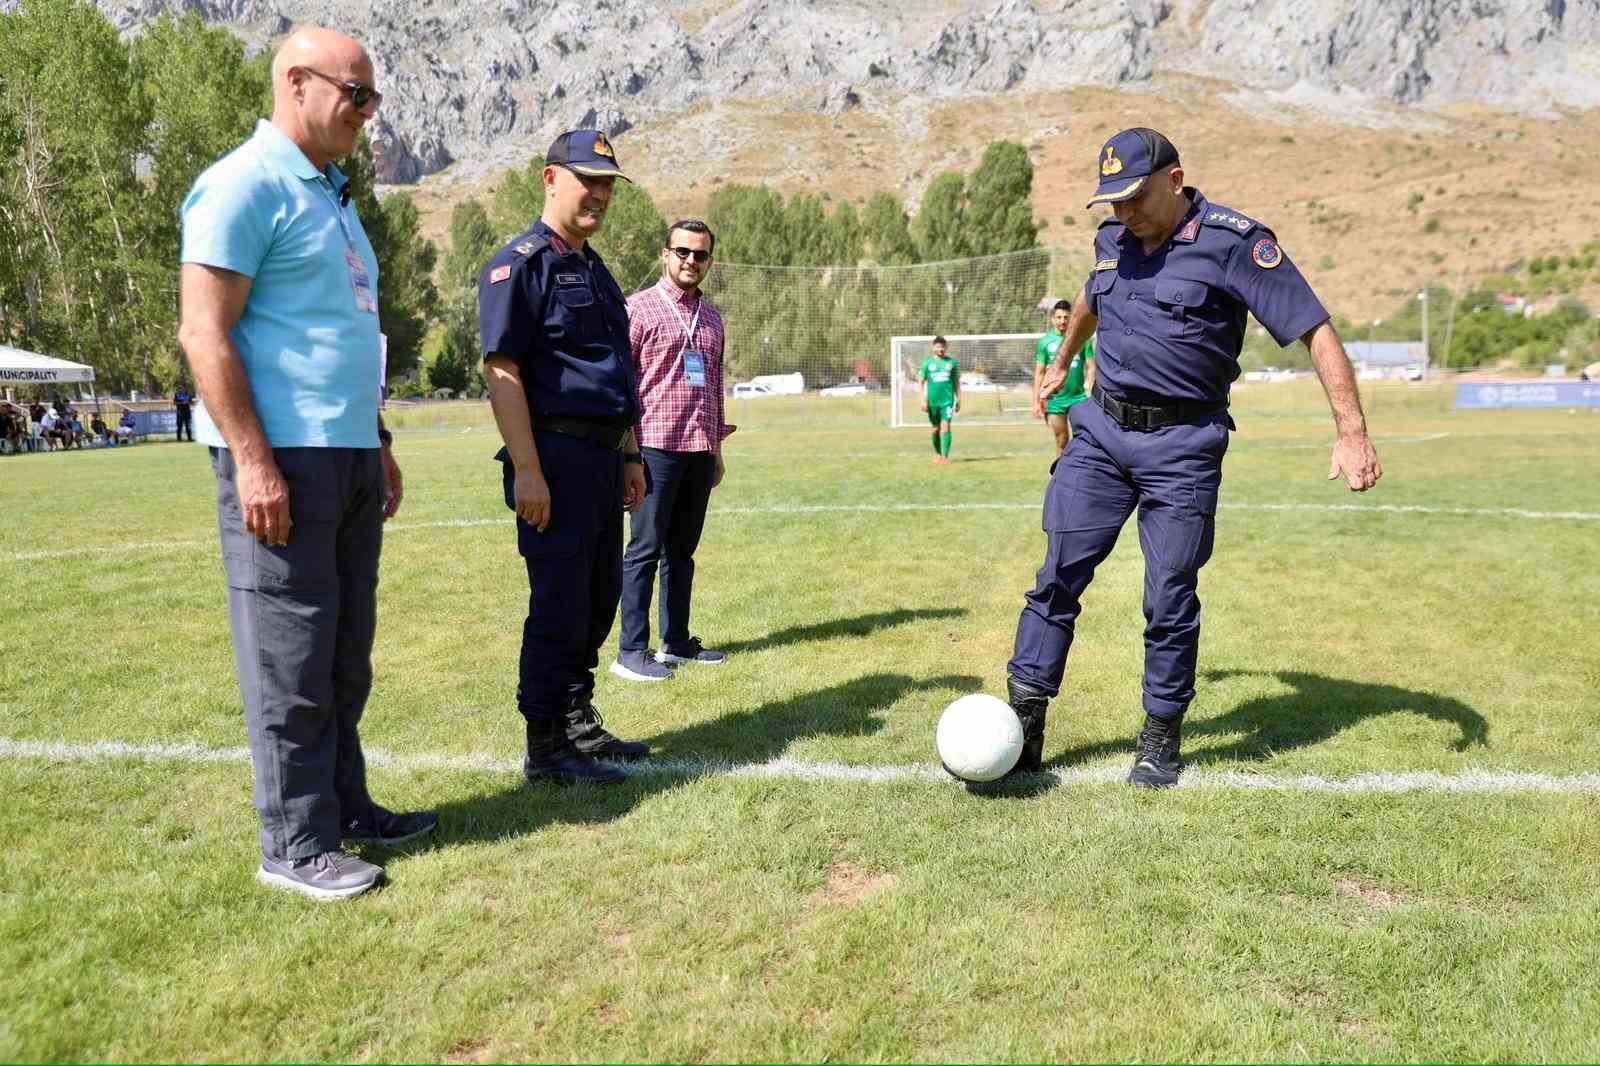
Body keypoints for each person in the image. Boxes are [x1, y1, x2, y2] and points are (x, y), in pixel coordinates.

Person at [1007, 127, 1382, 788]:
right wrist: (1062, 363)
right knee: (1057, 574)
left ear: (1175, 181)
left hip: (1183, 447)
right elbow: (1092, 296)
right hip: (1100, 434)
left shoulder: (1235, 244)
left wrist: (1351, 431)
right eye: (1112, 202)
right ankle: (1024, 721)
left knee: (1170, 594)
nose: (1124, 214)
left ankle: (1160, 736)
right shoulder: (1110, 242)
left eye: (1135, 198)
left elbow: (1314, 329)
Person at [177, 26, 436, 901]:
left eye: (372, 98)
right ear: (296, 82)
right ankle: (292, 842)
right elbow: (203, 334)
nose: (368, 113)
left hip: (350, 456)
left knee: (343, 655)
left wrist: (381, 441)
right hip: (283, 460)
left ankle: (346, 806)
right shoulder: (243, 185)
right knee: (291, 658)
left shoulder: (332, 193)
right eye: (355, 94)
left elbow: (344, 330)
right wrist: (253, 462)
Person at [478, 129, 652, 785]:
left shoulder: (593, 268)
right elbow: (504, 369)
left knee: (599, 596)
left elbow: (617, 371)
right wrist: (527, 468)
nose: (600, 195)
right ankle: (546, 747)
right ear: (551, 179)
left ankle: (579, 721)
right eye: (588, 181)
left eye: (608, 184)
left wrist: (632, 453)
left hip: (605, 461)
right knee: (557, 605)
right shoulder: (520, 265)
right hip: (553, 458)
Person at [611, 219, 734, 682]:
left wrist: (717, 449)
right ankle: (631, 651)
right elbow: (621, 387)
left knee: (682, 552)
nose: (690, 261)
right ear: (665, 254)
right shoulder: (637, 311)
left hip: (699, 448)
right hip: (653, 448)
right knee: (643, 548)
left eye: (700, 255)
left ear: (710, 261)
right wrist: (629, 453)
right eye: (682, 251)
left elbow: (716, 386)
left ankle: (677, 642)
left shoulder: (714, 317)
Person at [1033, 299, 1095, 458]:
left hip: (1078, 398)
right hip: (1055, 401)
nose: (1062, 321)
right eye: (1059, 317)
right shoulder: (1045, 343)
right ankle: (1059, 478)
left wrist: (1092, 392)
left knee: (1084, 441)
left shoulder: (1082, 339)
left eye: (1066, 317)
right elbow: (1039, 373)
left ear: (1071, 318)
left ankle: (1081, 477)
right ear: (1053, 318)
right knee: (1062, 440)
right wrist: (1035, 402)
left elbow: (1091, 367)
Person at [920, 335, 960, 464]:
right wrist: (922, 400)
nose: (941, 349)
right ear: (933, 348)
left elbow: (956, 383)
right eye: (938, 346)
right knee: (935, 429)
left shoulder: (952, 363)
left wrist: (959, 399)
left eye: (943, 346)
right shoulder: (927, 363)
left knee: (946, 426)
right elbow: (921, 383)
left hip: (947, 401)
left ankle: (945, 456)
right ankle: (937, 454)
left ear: (945, 347)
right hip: (932, 402)